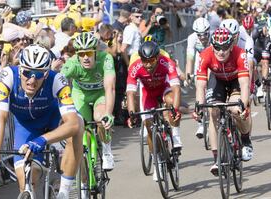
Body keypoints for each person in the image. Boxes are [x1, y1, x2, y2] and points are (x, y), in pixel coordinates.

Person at [0, 44, 84, 199]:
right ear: (20, 70)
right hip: (27, 127)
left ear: (45, 74)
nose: (31, 80)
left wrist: (43, 139)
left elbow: (72, 124)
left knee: (79, 124)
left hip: (54, 122)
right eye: (27, 72)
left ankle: (64, 192)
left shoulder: (57, 79)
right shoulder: (7, 76)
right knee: (27, 183)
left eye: (38, 75)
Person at [192, 28, 253, 176]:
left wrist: (243, 105)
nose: (221, 52)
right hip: (217, 80)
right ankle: (217, 158)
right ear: (212, 46)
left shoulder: (240, 54)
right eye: (217, 48)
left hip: (235, 82)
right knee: (212, 111)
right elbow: (201, 85)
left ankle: (245, 140)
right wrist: (199, 107)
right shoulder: (205, 55)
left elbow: (245, 83)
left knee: (235, 110)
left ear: (231, 46)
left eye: (225, 47)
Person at [126, 38, 182, 181]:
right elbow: (131, 93)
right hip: (148, 94)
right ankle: (157, 161)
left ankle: (175, 134)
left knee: (170, 102)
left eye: (151, 60)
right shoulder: (135, 67)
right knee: (149, 127)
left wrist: (175, 110)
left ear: (157, 57)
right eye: (145, 61)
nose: (148, 64)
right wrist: (131, 114)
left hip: (164, 89)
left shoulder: (167, 63)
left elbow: (176, 87)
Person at [61, 32, 116, 171]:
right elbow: (57, 82)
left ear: (96, 52)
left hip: (100, 94)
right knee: (81, 128)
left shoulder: (106, 59)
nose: (85, 58)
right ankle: (85, 179)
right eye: (81, 54)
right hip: (80, 95)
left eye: (89, 53)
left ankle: (106, 150)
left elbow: (110, 87)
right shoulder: (72, 63)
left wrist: (108, 113)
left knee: (100, 119)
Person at [185, 17, 211, 139]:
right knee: (199, 87)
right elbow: (190, 58)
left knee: (211, 84)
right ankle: (201, 122)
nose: (202, 37)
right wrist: (188, 75)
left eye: (205, 34)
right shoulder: (191, 38)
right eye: (199, 35)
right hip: (200, 61)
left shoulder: (214, 36)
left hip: (212, 60)